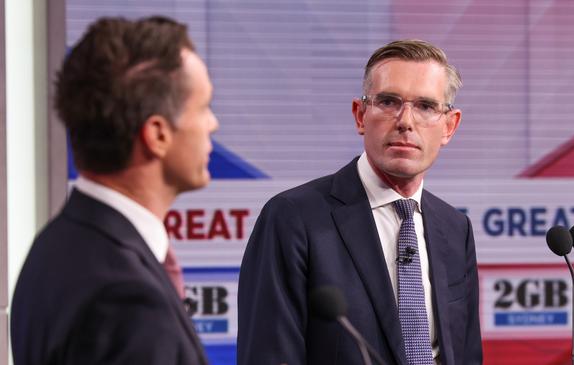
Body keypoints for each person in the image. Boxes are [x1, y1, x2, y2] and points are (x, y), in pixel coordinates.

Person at [237, 40, 481, 365]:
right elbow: (269, 355)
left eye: (425, 106)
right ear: (360, 115)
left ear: (449, 126)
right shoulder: (293, 218)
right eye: (389, 101)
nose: (406, 121)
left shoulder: (455, 228)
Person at [10, 16, 218, 365]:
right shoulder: (129, 300)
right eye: (204, 107)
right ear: (158, 135)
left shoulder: (55, 244)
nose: (214, 123)